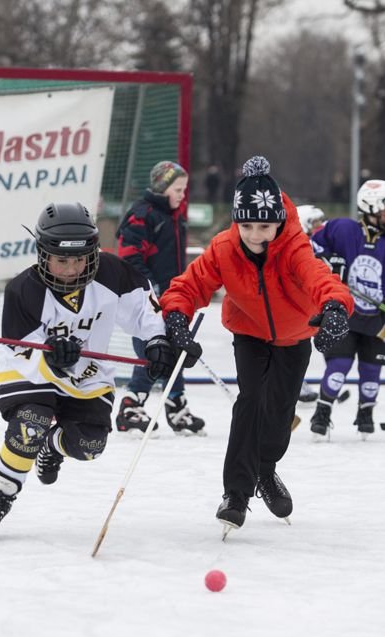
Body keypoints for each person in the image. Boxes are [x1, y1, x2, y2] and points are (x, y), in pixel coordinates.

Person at [159, 156, 353, 537]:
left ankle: (265, 468)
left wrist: (334, 309)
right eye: (246, 225)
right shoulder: (224, 248)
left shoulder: (294, 246)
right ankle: (235, 494)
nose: (255, 235)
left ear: (279, 221)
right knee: (250, 402)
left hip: (295, 335)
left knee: (280, 412)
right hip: (248, 331)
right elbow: (189, 285)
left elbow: (322, 280)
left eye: (264, 226)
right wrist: (177, 317)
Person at [0, 202, 176, 537]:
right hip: (31, 370)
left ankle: (53, 447)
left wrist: (157, 341)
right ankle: (1, 494)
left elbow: (144, 312)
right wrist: (51, 357)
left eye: (79, 259)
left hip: (87, 372)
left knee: (91, 446)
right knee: (30, 424)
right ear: (43, 254)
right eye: (61, 260)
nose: (71, 269)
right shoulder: (22, 290)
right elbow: (19, 348)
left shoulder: (114, 274)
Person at [308, 179, 385, 441]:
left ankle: (366, 412)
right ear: (372, 205)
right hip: (343, 314)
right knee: (339, 366)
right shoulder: (341, 229)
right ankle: (322, 413)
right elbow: (310, 251)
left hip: (376, 321)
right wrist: (329, 263)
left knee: (371, 375)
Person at [115, 160, 205, 435]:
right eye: (177, 189)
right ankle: (131, 405)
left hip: (173, 297)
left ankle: (176, 405)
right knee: (154, 350)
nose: (182, 195)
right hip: (147, 300)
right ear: (161, 186)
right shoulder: (142, 215)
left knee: (176, 350)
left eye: (184, 189)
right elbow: (129, 258)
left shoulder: (174, 217)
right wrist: (152, 289)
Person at [295, 204, 328, 404]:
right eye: (315, 223)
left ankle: (298, 381)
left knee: (301, 345)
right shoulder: (301, 246)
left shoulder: (317, 245)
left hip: (307, 305)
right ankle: (295, 383)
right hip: (293, 306)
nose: (320, 227)